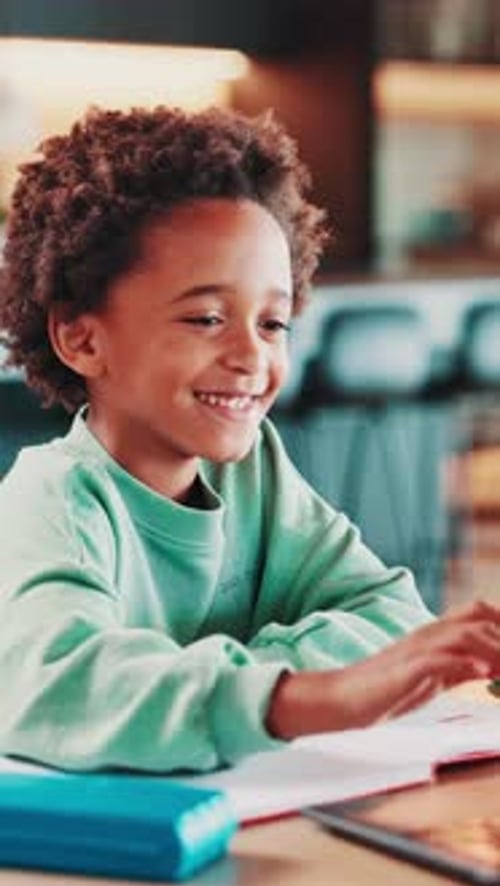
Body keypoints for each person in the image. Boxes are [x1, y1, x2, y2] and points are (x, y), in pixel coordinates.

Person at [0, 105, 499, 774]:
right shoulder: (52, 499)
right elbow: (54, 688)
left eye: (272, 323)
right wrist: (304, 696)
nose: (250, 356)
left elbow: (390, 616)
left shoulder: (252, 471)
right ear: (82, 337)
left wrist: (253, 687)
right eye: (206, 317)